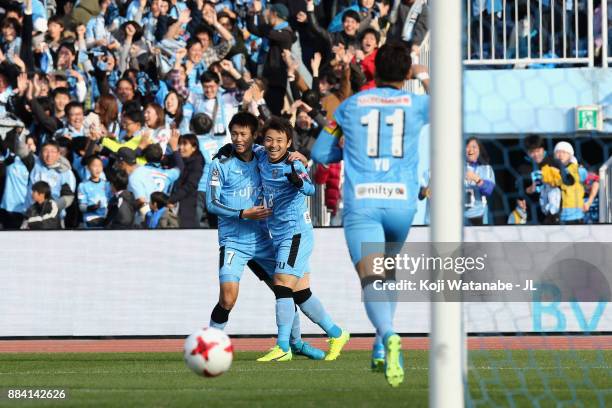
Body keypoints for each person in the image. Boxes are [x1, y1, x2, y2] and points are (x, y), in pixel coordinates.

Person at [311, 42, 430, 387]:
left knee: (372, 279)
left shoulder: (349, 107)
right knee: (387, 274)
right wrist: (424, 75)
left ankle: (389, 334)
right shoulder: (417, 103)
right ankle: (380, 347)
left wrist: (348, 153)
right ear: (406, 72)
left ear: (375, 71)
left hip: (363, 204)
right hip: (402, 205)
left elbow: (320, 152)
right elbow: (450, 109)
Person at [206, 112, 325, 361]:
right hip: (233, 242)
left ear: (253, 137)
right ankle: (210, 344)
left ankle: (295, 344)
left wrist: (300, 156)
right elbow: (211, 203)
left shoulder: (262, 154)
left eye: (243, 134)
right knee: (227, 298)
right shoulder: (220, 162)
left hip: (262, 240)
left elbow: (288, 155)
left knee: (284, 291)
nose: (238, 139)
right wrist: (243, 213)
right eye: (234, 134)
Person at [254, 117, 349, 362]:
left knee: (282, 284)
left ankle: (283, 346)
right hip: (280, 234)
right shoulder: (262, 156)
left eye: (279, 140)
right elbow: (244, 147)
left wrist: (298, 181)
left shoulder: (293, 163)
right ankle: (337, 334)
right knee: (301, 294)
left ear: (288, 144)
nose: (273, 144)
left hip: (296, 233)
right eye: (269, 139)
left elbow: (310, 189)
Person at [541, 141, 585, 224]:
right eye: (558, 152)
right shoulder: (550, 169)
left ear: (570, 155)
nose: (560, 155)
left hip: (574, 215)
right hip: (555, 214)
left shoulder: (579, 170)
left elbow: (569, 181)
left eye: (564, 152)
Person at [167, 132, 203, 228]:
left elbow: (190, 185)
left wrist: (171, 200)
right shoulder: (180, 158)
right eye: (180, 144)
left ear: (194, 147)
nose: (181, 147)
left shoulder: (197, 162)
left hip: (186, 208)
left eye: (184, 144)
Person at [464, 137, 495, 226]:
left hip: (479, 215)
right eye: (468, 147)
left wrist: (477, 179)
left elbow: (489, 190)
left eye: (474, 147)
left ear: (479, 150)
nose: (470, 150)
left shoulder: (487, 168)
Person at [77, 155, 112, 228]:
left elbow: (110, 201)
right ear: (88, 168)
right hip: (90, 220)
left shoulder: (107, 184)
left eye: (100, 166)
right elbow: (81, 207)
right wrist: (91, 208)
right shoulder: (83, 185)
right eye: (94, 166)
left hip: (105, 220)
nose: (98, 169)